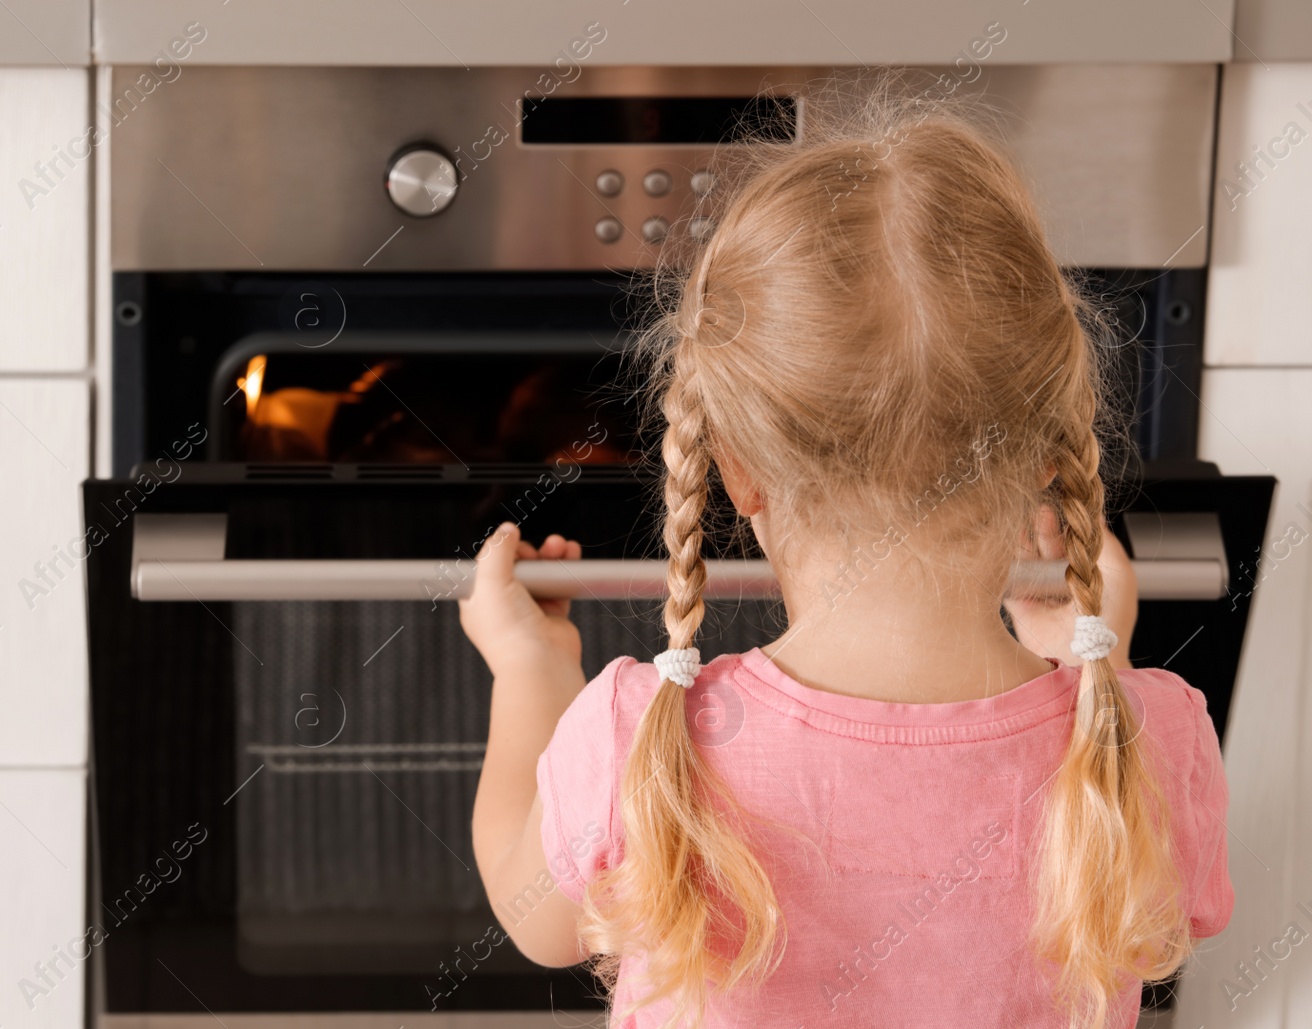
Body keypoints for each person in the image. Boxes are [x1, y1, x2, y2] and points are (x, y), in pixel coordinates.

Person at [458, 99, 1231, 1029]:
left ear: (735, 470)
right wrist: (1090, 660)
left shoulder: (635, 735)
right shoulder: (1150, 739)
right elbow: (1141, 927)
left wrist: (528, 674)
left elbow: (534, 915)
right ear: (1045, 457)